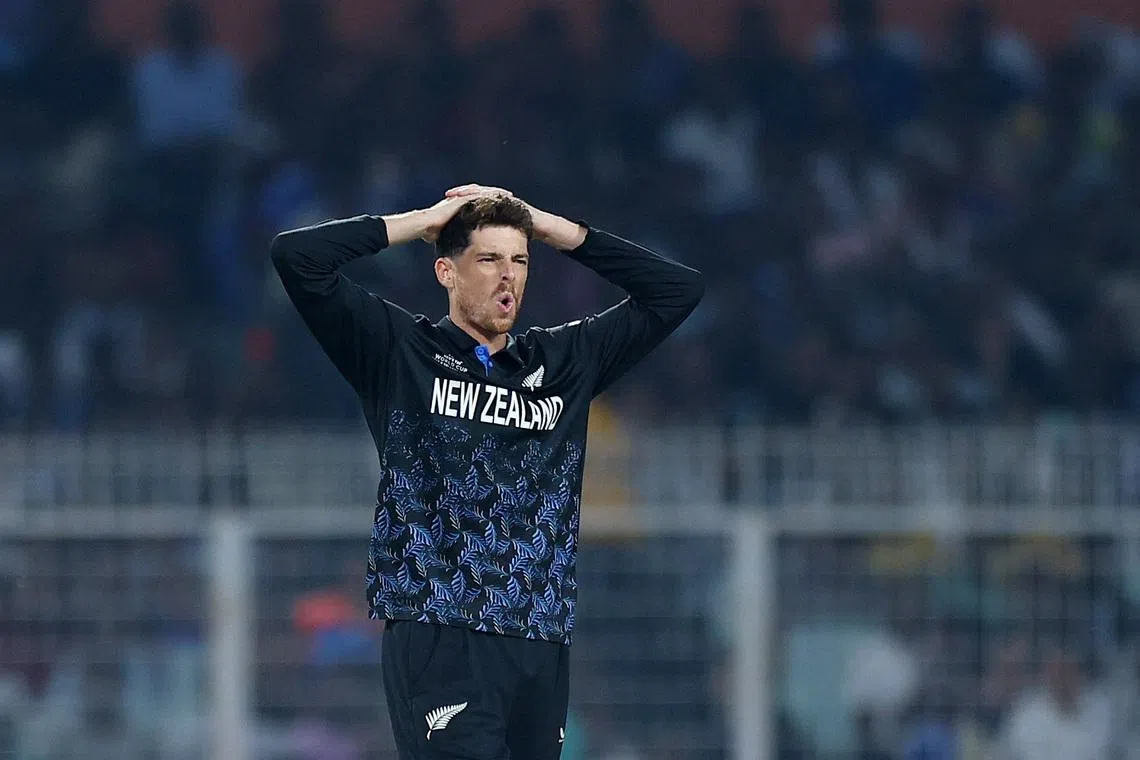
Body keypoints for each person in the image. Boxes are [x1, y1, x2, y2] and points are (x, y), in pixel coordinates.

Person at [271, 184, 703, 759]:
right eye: (489, 260)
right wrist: (422, 221)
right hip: (440, 626)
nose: (508, 277)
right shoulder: (399, 350)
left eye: (520, 261)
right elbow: (296, 257)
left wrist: (552, 227)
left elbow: (677, 291)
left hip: (539, 634)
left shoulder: (563, 363)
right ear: (446, 272)